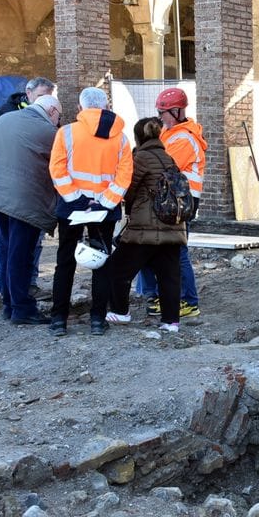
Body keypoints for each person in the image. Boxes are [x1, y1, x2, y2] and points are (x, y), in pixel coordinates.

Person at [0, 95, 62, 324]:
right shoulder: (48, 132)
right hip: (23, 201)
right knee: (21, 255)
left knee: (6, 251)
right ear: (50, 111)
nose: (58, 121)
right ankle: (22, 309)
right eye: (58, 116)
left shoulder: (3, 120)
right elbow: (59, 165)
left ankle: (10, 305)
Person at [48, 87, 133, 337]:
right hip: (105, 211)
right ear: (106, 107)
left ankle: (58, 320)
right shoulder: (121, 138)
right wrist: (105, 202)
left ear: (80, 108)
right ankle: (97, 319)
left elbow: (57, 170)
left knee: (64, 263)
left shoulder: (66, 133)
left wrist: (76, 199)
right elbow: (124, 175)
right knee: (101, 263)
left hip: (71, 208)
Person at [107, 117, 186, 332]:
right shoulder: (169, 158)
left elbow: (129, 188)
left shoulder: (139, 157)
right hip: (173, 226)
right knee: (169, 275)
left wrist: (128, 207)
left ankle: (120, 312)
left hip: (146, 227)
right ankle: (171, 322)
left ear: (137, 137)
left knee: (117, 269)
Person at [137, 87, 207, 318]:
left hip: (179, 202)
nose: (160, 116)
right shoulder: (170, 133)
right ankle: (159, 295)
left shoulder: (183, 138)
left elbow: (163, 166)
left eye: (164, 112)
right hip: (169, 200)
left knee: (177, 251)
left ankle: (188, 301)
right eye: (159, 112)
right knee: (156, 248)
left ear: (177, 111)